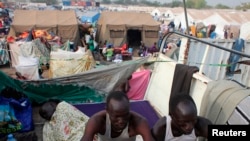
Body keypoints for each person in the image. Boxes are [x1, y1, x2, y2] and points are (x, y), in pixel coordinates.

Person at [81, 91, 154, 141]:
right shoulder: (97, 121)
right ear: (108, 111)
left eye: (125, 115)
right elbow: (86, 138)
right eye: (116, 117)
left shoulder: (139, 122)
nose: (121, 121)